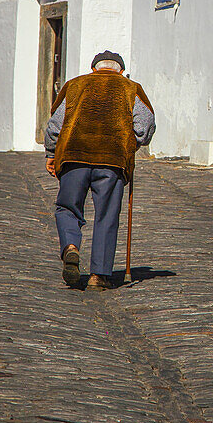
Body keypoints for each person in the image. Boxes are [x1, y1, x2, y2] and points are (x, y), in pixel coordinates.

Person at [44, 50, 155, 289]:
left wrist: (51, 154)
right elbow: (144, 127)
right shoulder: (130, 88)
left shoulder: (74, 85)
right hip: (111, 160)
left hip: (74, 156)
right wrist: (131, 143)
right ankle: (99, 276)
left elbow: (55, 124)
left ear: (94, 68)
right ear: (121, 71)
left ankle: (71, 247)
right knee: (107, 216)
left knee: (67, 208)